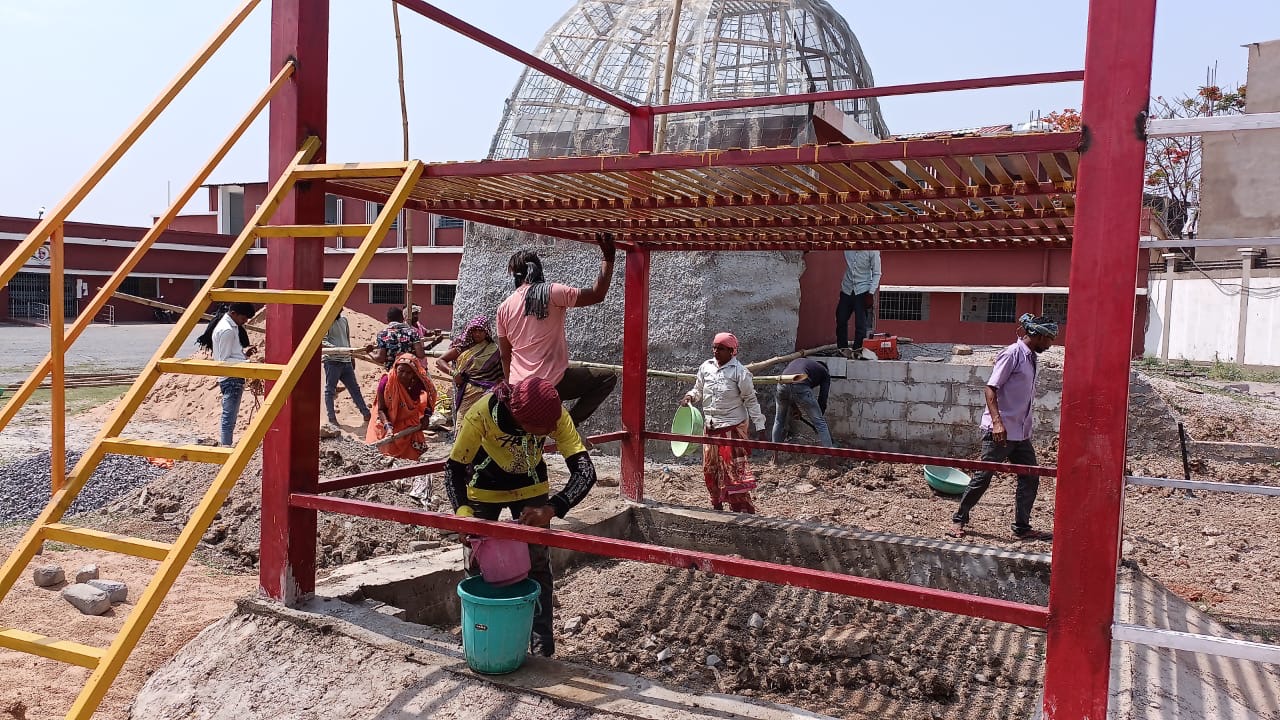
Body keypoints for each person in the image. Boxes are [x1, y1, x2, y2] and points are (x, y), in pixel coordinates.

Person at [445, 377, 597, 658]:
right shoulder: (480, 414)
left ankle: (541, 646)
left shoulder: (555, 415)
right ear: (519, 417)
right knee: (477, 563)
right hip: (483, 487)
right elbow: (453, 470)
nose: (553, 431)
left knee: (538, 564)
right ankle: (479, 638)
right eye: (544, 430)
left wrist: (551, 508)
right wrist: (463, 515)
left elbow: (586, 472)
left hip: (531, 487)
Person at [948, 314, 1058, 542]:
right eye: (1049, 339)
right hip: (1000, 431)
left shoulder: (1031, 357)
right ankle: (958, 519)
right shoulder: (1012, 354)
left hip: (1020, 432)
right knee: (984, 476)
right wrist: (997, 423)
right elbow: (990, 389)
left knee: (1030, 476)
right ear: (1037, 335)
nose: (1050, 344)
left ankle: (1022, 526)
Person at [495, 234, 618, 432]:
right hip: (554, 383)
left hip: (520, 386)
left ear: (515, 275)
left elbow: (504, 355)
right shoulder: (552, 292)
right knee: (607, 377)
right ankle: (570, 422)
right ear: (538, 270)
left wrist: (512, 388)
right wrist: (608, 259)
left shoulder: (504, 307)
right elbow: (597, 294)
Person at [681, 332, 767, 514]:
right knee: (710, 469)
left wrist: (760, 426)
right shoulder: (706, 367)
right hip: (710, 427)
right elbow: (699, 389)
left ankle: (741, 510)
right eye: (714, 347)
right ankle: (716, 505)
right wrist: (690, 396)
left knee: (733, 473)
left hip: (732, 427)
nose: (716, 351)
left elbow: (750, 400)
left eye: (720, 349)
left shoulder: (740, 372)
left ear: (731, 352)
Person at [195, 302, 257, 447]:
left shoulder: (230, 326)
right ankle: (226, 447)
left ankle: (225, 446)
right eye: (244, 318)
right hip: (232, 378)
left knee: (229, 416)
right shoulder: (227, 330)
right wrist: (248, 364)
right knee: (229, 417)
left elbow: (229, 354)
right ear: (234, 313)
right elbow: (224, 360)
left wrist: (243, 354)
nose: (245, 321)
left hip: (231, 377)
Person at [366, 353, 437, 460]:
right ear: (395, 369)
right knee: (383, 454)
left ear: (414, 373)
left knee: (413, 455)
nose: (404, 375)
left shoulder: (418, 382)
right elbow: (381, 409)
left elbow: (431, 395)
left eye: (408, 373)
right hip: (385, 419)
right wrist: (388, 427)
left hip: (408, 421)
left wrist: (426, 416)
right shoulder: (387, 381)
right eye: (401, 371)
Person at [436, 315, 504, 422]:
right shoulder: (462, 347)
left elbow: (501, 374)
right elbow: (440, 361)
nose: (477, 334)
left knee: (483, 423)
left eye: (481, 331)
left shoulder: (494, 350)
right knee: (463, 422)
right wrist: (453, 373)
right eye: (474, 330)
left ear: (486, 332)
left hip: (488, 393)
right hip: (467, 393)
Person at [321, 309, 371, 427]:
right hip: (332, 361)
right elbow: (322, 341)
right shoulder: (325, 322)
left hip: (346, 360)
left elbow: (347, 340)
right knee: (330, 390)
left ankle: (366, 413)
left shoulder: (344, 320)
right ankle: (331, 418)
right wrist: (337, 349)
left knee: (354, 388)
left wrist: (351, 356)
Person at [771, 357, 833, 448]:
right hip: (800, 384)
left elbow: (790, 389)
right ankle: (831, 458)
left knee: (779, 421)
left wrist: (795, 408)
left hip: (782, 384)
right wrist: (818, 417)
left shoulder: (800, 362)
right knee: (821, 424)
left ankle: (774, 457)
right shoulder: (825, 373)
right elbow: (823, 398)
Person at [836, 250, 881, 361]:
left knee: (860, 324)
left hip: (863, 289)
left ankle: (857, 351)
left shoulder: (872, 250)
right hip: (847, 288)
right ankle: (842, 349)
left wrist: (871, 293)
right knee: (841, 318)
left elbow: (877, 273)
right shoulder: (848, 247)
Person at [369, 306, 425, 370]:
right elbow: (421, 354)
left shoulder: (383, 334)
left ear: (387, 319)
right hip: (409, 373)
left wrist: (369, 352)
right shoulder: (412, 332)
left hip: (392, 373)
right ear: (402, 319)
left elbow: (380, 358)